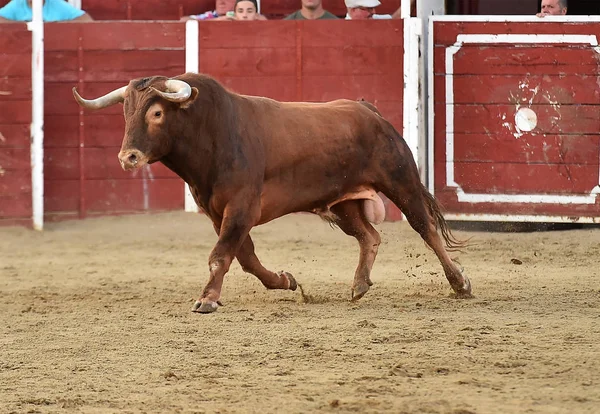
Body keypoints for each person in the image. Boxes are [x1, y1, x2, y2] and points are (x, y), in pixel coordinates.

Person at [0, 0, 93, 22]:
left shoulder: (55, 3)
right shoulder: (18, 3)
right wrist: (24, 26)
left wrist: (55, 26)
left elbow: (86, 20)